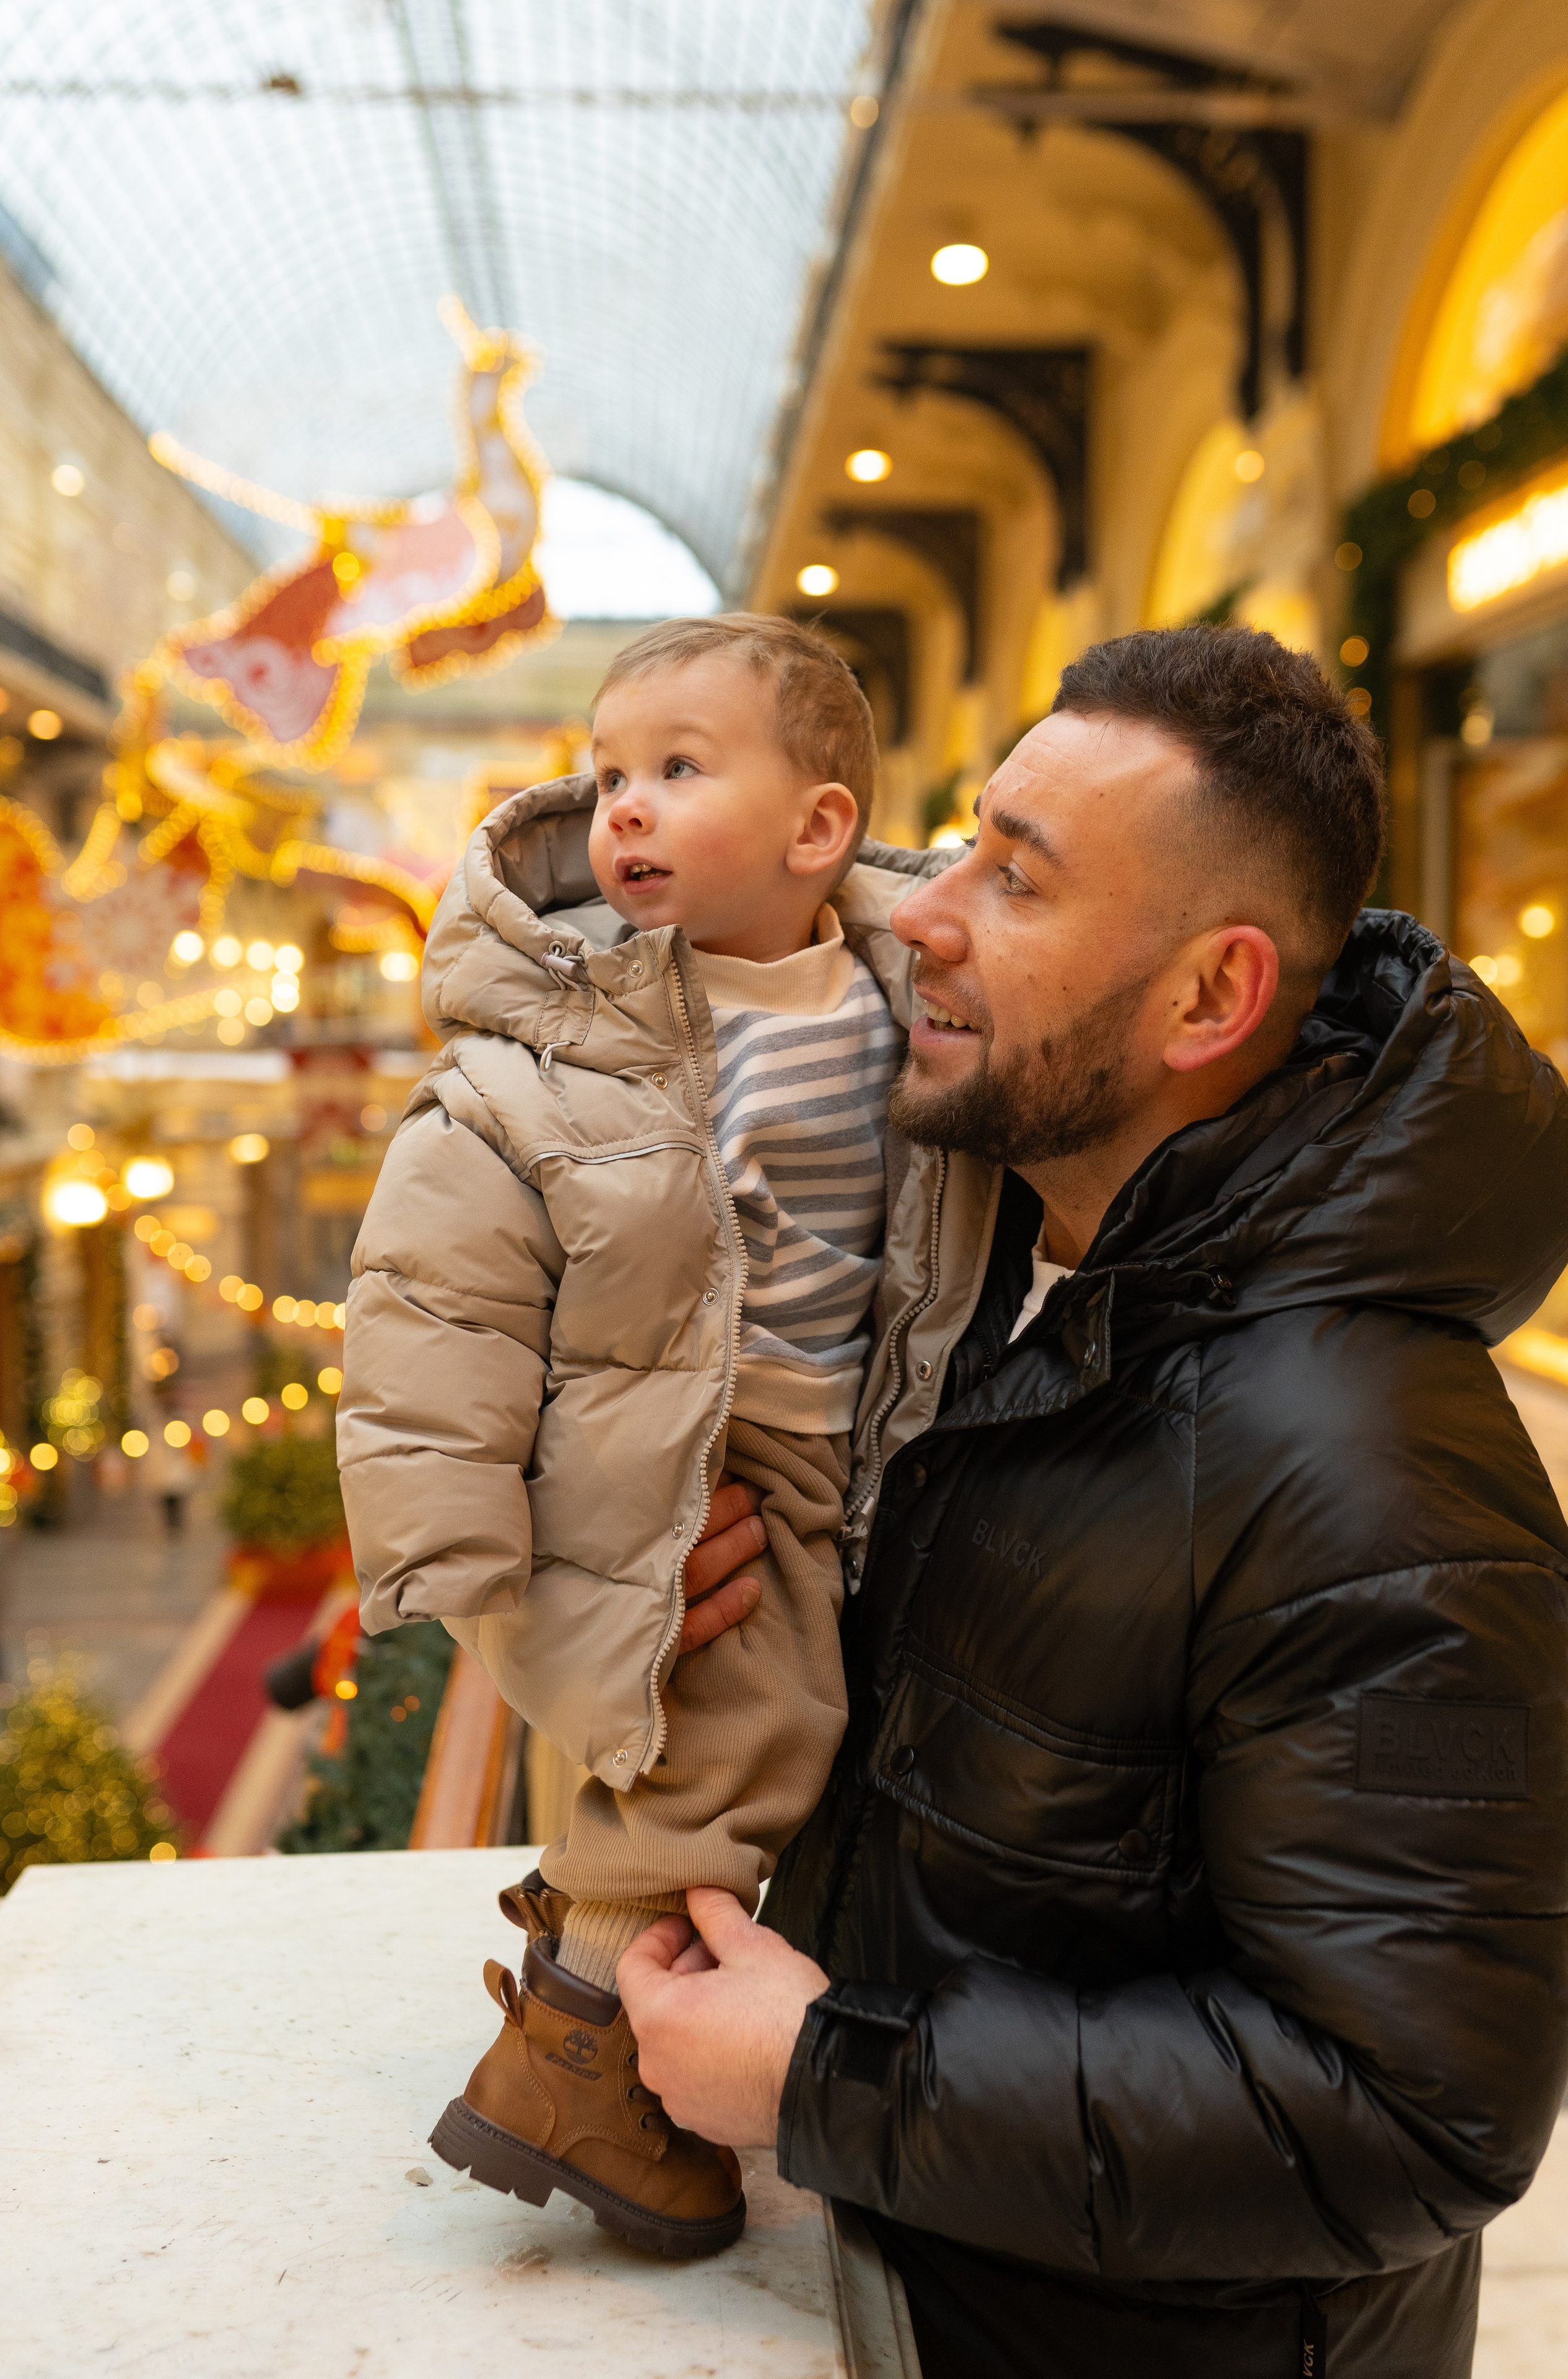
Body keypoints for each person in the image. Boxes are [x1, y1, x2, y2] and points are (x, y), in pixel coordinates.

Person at [619, 624, 1568, 2376]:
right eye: (968, 836)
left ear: (1208, 999)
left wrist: (829, 2069)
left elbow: (1414, 2115)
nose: (925, 910)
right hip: (906, 2288)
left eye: (1018, 878)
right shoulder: (991, 1273)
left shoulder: (1373, 1470)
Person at [338, 614, 939, 2258]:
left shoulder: (908, 990)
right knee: (725, 1744)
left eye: (679, 769)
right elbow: (437, 1288)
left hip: (840, 1449)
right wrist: (464, 1549)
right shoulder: (568, 1031)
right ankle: (578, 2060)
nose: (625, 807)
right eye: (611, 773)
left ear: (821, 830)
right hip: (683, 1453)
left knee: (789, 1740)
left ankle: (646, 2055)